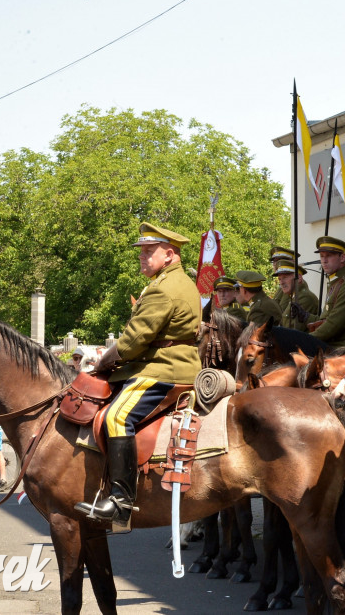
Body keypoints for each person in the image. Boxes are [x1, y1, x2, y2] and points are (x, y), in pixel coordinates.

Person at [76, 222, 202, 524]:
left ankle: (121, 501)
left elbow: (133, 342)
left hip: (164, 368)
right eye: (141, 251)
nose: (141, 256)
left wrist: (104, 361)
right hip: (165, 363)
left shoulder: (163, 289)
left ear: (169, 254)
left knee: (117, 417)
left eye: (149, 251)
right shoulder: (174, 282)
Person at [302, 236, 345, 347]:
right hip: (331, 343)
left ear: (342, 257)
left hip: (344, 346)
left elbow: (335, 324)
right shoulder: (334, 283)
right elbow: (326, 319)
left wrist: (306, 339)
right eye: (322, 256)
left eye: (329, 256)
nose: (324, 260)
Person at [277, 259, 320, 331]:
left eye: (285, 277)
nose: (281, 282)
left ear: (299, 278)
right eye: (280, 279)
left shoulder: (305, 297)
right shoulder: (293, 296)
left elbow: (293, 330)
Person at [269, 246, 297, 314]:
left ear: (292, 262)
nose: (275, 264)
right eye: (274, 261)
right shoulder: (282, 286)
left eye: (280, 260)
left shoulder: (293, 284)